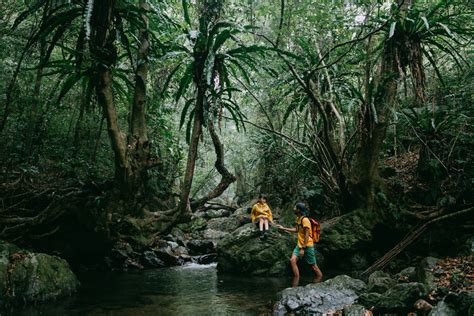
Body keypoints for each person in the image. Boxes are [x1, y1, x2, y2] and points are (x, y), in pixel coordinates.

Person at [275, 202, 323, 285]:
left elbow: (307, 235)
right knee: (293, 260)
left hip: (307, 245)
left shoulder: (305, 220)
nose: (294, 209)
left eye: (295, 208)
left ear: (299, 210)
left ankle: (321, 282)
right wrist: (284, 229)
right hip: (299, 245)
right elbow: (296, 230)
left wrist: (303, 249)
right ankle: (296, 282)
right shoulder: (298, 219)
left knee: (314, 267)